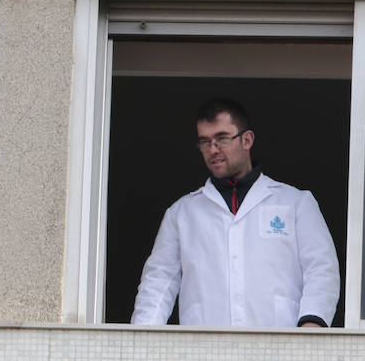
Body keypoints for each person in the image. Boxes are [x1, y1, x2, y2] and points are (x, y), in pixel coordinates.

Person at [131, 98, 339, 328]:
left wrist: (312, 324)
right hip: (204, 351)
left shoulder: (296, 203)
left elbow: (321, 269)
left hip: (281, 346)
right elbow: (159, 282)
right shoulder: (181, 214)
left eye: (221, 139)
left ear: (247, 139)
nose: (213, 150)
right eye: (204, 142)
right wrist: (142, 337)